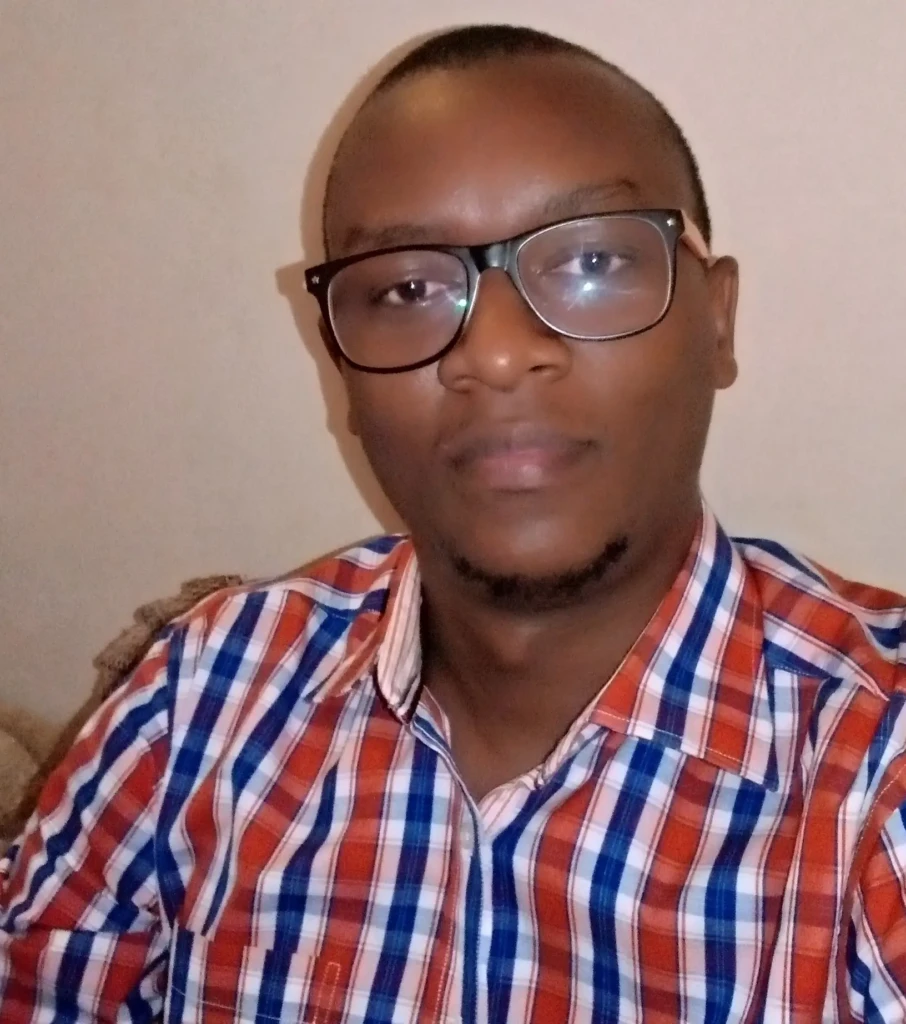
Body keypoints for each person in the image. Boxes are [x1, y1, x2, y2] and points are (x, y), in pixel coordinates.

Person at [2, 22, 905, 1024]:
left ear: (719, 321)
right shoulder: (202, 695)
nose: (496, 353)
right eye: (407, 288)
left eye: (593, 261)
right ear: (340, 369)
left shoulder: (874, 771)